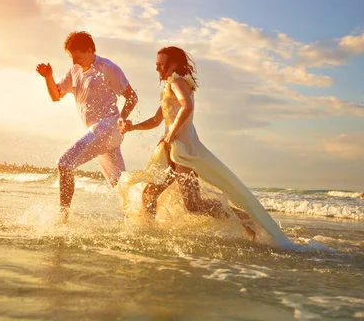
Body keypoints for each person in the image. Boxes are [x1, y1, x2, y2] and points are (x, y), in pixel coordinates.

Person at [117, 46, 297, 250]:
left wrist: (170, 134)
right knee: (150, 194)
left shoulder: (177, 82)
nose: (158, 69)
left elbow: (187, 107)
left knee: (193, 205)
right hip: (170, 150)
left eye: (162, 65)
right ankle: (148, 236)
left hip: (182, 151)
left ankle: (247, 222)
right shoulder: (170, 85)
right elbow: (158, 119)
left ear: (174, 64)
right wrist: (132, 127)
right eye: (156, 65)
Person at [36, 31, 138, 222]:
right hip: (99, 133)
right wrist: (48, 77)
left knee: (64, 163)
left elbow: (132, 97)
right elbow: (56, 96)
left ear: (91, 50)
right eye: (71, 58)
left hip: (108, 127)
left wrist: (122, 118)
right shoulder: (74, 71)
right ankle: (143, 218)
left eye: (78, 57)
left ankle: (62, 218)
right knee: (120, 186)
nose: (74, 61)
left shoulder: (108, 68)